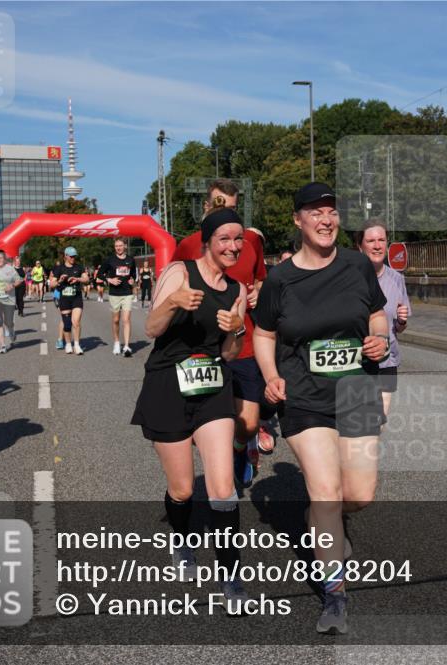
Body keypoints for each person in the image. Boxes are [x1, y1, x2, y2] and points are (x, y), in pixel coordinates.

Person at [254, 182, 390, 634]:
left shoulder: (357, 265)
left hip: (357, 391)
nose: (326, 219)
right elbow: (264, 334)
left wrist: (380, 337)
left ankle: (320, 519)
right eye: (315, 212)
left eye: (331, 211)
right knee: (327, 492)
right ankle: (335, 595)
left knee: (360, 495)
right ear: (298, 221)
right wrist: (272, 375)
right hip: (304, 398)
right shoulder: (280, 280)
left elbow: (376, 312)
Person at [131, 207, 249, 612]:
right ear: (208, 241)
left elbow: (231, 352)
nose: (233, 246)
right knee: (182, 489)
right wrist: (173, 303)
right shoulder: (179, 272)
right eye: (225, 239)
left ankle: (231, 573)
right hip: (168, 383)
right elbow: (151, 329)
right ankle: (181, 543)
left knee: (222, 487)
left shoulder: (238, 291)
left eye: (239, 239)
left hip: (213, 384)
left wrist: (235, 330)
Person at [173, 179, 271, 484]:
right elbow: (173, 288)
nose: (226, 214)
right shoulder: (188, 245)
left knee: (249, 423)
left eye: (232, 208)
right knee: (199, 427)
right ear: (206, 206)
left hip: (243, 344)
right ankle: (219, 479)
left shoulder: (250, 242)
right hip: (202, 349)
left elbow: (261, 281)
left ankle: (241, 447)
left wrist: (258, 294)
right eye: (219, 206)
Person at [356, 219, 411, 417]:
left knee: (379, 420)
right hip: (357, 362)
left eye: (381, 240)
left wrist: (402, 321)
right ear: (360, 246)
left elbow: (398, 328)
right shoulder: (349, 278)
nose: (377, 245)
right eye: (370, 241)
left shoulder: (397, 278)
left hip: (388, 361)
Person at [99, 237, 137, 357]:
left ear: (125, 246)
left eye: (120, 246)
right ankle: (116, 342)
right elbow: (100, 274)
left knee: (126, 320)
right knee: (116, 320)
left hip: (127, 293)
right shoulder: (110, 260)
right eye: (116, 246)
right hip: (115, 294)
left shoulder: (131, 260)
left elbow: (133, 275)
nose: (118, 248)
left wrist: (132, 281)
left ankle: (126, 346)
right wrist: (110, 279)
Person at [50, 247, 89, 355]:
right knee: (67, 324)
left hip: (76, 298)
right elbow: (51, 284)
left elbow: (86, 279)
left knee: (76, 322)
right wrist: (60, 281)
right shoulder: (59, 268)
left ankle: (77, 345)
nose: (73, 258)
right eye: (71, 256)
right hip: (64, 299)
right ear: (65, 256)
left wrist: (78, 279)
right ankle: (68, 344)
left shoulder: (79, 267)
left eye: (74, 256)